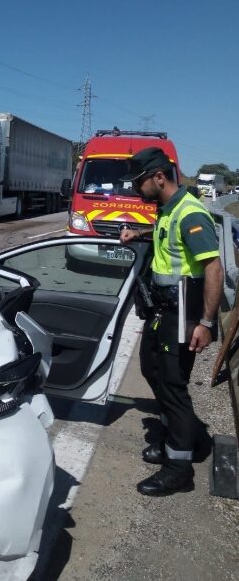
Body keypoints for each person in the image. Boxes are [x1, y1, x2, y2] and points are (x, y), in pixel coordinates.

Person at [119, 147, 223, 496]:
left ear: (159, 177)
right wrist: (140, 234)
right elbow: (169, 243)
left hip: (182, 314)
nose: (137, 189)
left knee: (173, 385)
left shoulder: (191, 213)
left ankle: (179, 467)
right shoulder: (168, 211)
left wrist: (206, 323)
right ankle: (181, 437)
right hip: (163, 310)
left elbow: (213, 268)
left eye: (140, 182)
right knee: (152, 371)